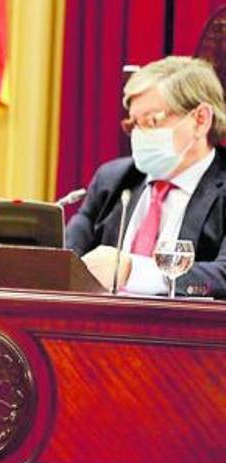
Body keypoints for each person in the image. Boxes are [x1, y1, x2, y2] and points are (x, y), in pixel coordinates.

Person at [66, 56, 226, 298]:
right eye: (133, 125)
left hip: (185, 332)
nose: (139, 136)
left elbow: (222, 276)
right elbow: (66, 260)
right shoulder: (113, 179)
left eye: (152, 121)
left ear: (200, 119)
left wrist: (133, 271)